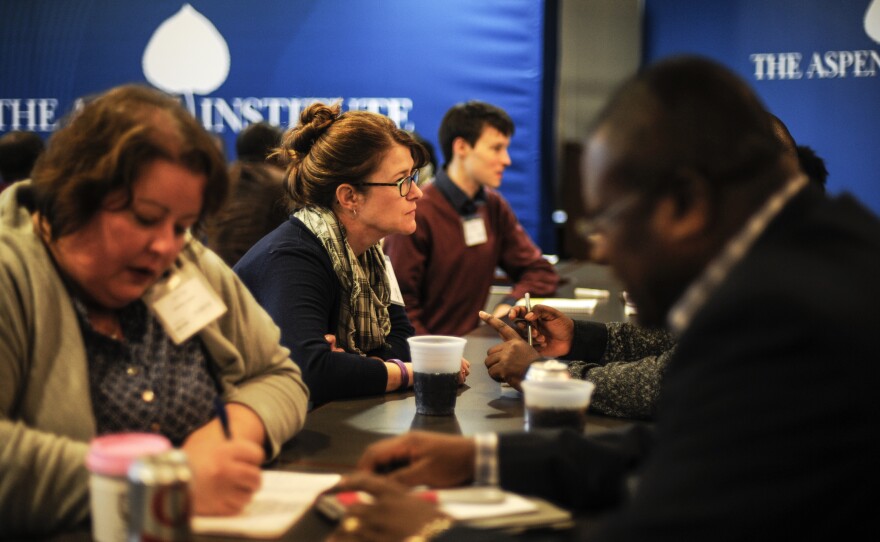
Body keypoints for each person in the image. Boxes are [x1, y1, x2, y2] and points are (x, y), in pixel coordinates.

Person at [326, 56, 880, 541]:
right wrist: (483, 458)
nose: (606, 250)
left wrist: (435, 534)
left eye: (612, 222)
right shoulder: (816, 263)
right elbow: (667, 453)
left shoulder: (794, 322)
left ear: (686, 201)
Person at [0, 85, 309, 537]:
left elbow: (279, 374)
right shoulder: (11, 272)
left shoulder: (186, 262)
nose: (168, 245)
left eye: (184, 225)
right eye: (145, 218)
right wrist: (167, 481)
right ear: (73, 195)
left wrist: (234, 433)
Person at [235, 103, 468, 406]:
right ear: (349, 197)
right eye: (402, 181)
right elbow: (310, 372)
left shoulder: (371, 253)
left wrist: (351, 362)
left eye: (414, 177)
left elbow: (401, 343)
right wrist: (418, 372)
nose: (417, 192)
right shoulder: (292, 257)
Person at [383, 101, 560, 337]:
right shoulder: (416, 212)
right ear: (462, 147)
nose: (506, 160)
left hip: (472, 351)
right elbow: (400, 309)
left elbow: (539, 271)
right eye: (496, 148)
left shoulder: (493, 206)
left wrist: (511, 303)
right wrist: (438, 360)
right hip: (430, 360)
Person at [206, 122, 289, 266]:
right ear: (275, 152)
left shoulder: (224, 179)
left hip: (215, 269)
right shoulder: (278, 183)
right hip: (253, 275)